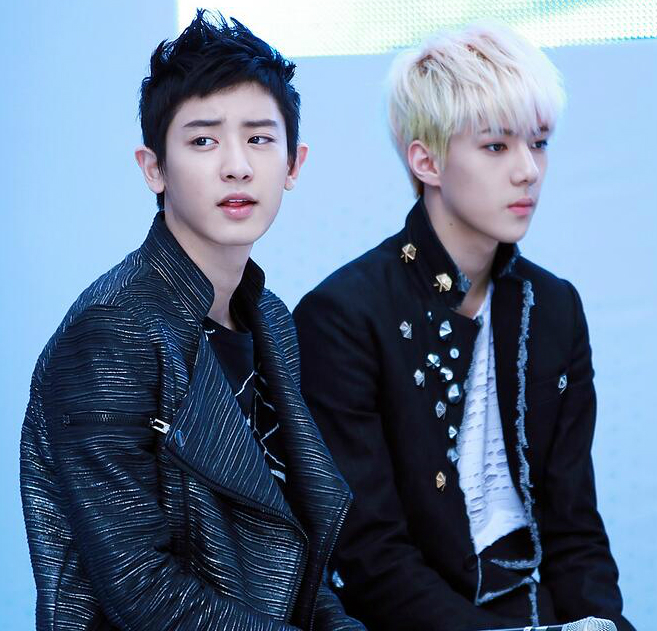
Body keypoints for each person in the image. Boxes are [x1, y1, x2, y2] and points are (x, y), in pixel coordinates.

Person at [20, 10, 364, 631]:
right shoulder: (111, 332)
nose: (237, 166)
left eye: (259, 139)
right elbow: (141, 588)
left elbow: (298, 564)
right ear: (153, 167)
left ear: (294, 164)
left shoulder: (271, 322)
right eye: (203, 140)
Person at [293, 21, 634, 631]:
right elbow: (370, 558)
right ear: (426, 161)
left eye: (540, 143)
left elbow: (575, 528)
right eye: (497, 147)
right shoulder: (343, 316)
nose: (529, 170)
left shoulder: (554, 307)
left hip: (539, 609)